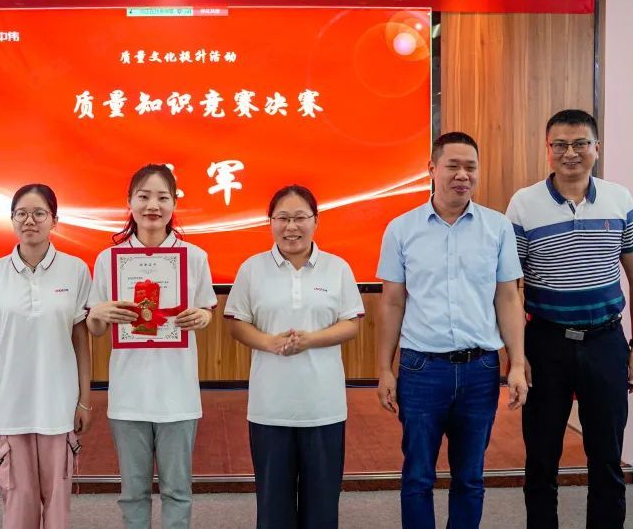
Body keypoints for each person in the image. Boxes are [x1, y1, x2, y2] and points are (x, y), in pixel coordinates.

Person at [507, 109, 633, 529]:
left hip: (605, 343)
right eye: (560, 144)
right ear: (548, 150)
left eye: (580, 144)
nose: (570, 153)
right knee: (541, 459)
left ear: (596, 148)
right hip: (545, 344)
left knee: (606, 458)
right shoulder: (523, 204)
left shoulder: (618, 198)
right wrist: (516, 355)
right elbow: (510, 288)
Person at [376, 131, 528, 529]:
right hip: (421, 370)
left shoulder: (497, 227)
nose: (462, 175)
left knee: (470, 477)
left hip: (480, 370)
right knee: (418, 477)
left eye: (470, 167)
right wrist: (385, 369)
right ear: (432, 169)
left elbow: (508, 298)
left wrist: (516, 364)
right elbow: (392, 302)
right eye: (453, 166)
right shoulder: (401, 229)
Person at [86, 164, 217, 529]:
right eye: (143, 196)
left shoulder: (194, 257)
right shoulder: (109, 260)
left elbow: (206, 311)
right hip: (129, 394)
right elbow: (96, 328)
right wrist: (98, 312)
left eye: (162, 197)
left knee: (178, 491)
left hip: (178, 393)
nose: (152, 206)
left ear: (174, 203)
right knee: (133, 493)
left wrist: (202, 318)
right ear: (130, 202)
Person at [224, 184, 363, 529]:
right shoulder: (252, 269)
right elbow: (237, 324)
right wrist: (269, 343)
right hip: (270, 407)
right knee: (273, 508)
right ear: (270, 222)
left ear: (315, 221)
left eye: (300, 217)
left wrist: (311, 340)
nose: (291, 227)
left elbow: (351, 325)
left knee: (322, 509)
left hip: (323, 406)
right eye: (282, 218)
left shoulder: (337, 268)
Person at [0, 183, 93, 529]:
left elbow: (81, 342)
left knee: (57, 507)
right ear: (11, 220)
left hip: (58, 406)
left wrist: (84, 400)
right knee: (17, 505)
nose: (30, 220)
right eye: (21, 213)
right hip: (10, 406)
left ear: (55, 220)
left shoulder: (75, 270)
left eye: (39, 213)